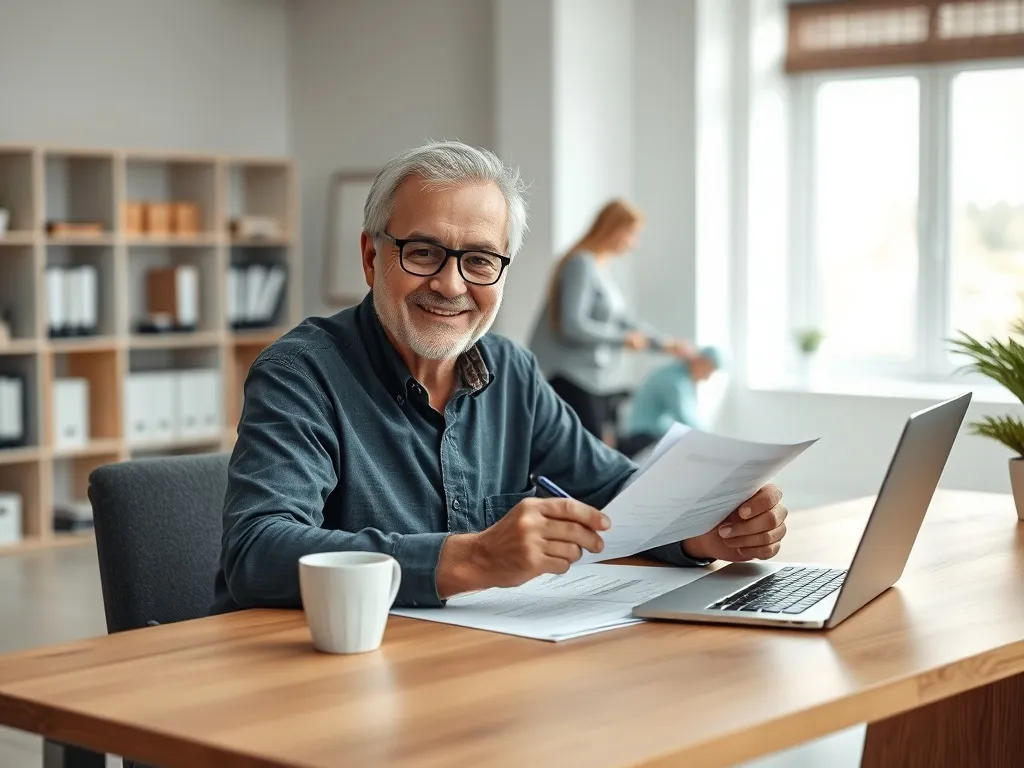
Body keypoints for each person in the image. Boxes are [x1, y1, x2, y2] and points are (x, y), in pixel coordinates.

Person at [210, 140, 788, 613]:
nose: (451, 285)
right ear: (370, 257)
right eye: (423, 252)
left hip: (469, 663)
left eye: (480, 260)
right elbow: (256, 551)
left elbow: (619, 496)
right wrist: (476, 558)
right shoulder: (300, 373)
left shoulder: (512, 372)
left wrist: (698, 532)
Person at [527, 200, 695, 443]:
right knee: (586, 452)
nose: (634, 243)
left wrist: (664, 344)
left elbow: (623, 321)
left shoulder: (600, 269)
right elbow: (572, 325)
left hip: (590, 381)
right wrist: (623, 340)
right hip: (569, 378)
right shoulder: (580, 264)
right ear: (615, 229)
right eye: (632, 233)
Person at [618, 346, 722, 459]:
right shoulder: (674, 381)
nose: (708, 377)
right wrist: (711, 442)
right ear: (701, 362)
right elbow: (685, 419)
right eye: (709, 371)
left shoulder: (680, 376)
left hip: (651, 434)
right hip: (645, 436)